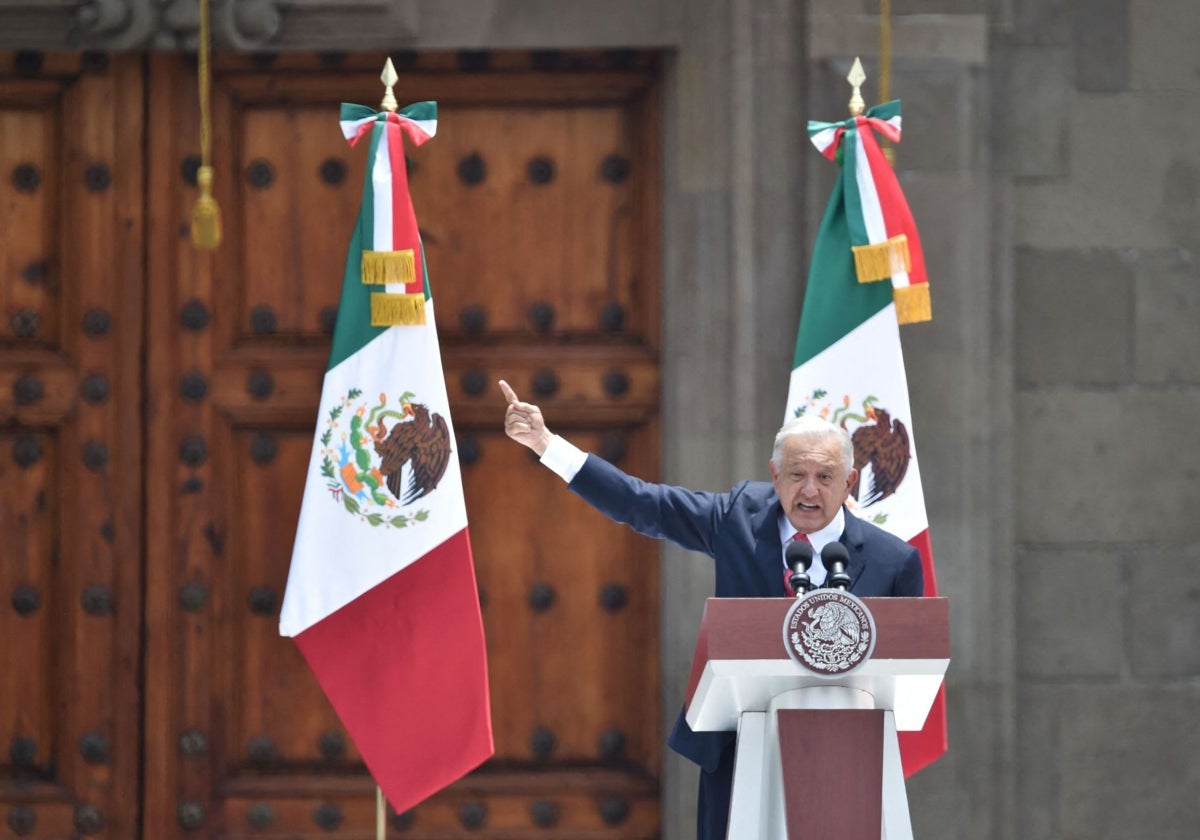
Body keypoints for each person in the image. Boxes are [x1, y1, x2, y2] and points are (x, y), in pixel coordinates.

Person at [498, 379, 923, 840]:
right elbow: (644, 504)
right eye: (797, 475)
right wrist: (546, 445)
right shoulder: (739, 517)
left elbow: (909, 670)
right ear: (774, 475)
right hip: (738, 745)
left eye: (825, 477)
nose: (809, 491)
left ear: (850, 482)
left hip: (845, 755)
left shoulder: (892, 561)